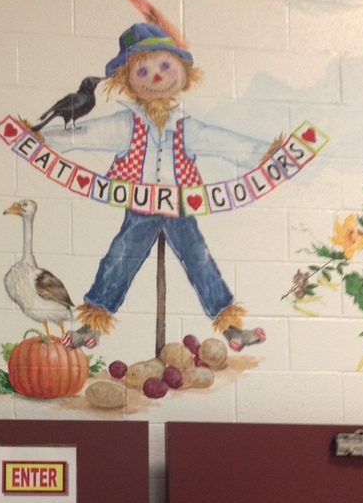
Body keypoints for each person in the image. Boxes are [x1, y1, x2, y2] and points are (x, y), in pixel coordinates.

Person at [40, 22, 269, 354]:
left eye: (164, 66)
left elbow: (223, 142)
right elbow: (85, 136)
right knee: (119, 258)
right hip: (140, 207)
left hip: (178, 206)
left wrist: (266, 152)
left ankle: (232, 330)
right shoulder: (125, 124)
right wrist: (42, 138)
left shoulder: (186, 127)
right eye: (143, 70)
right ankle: (91, 328)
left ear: (183, 72)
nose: (156, 76)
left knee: (200, 260)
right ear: (126, 80)